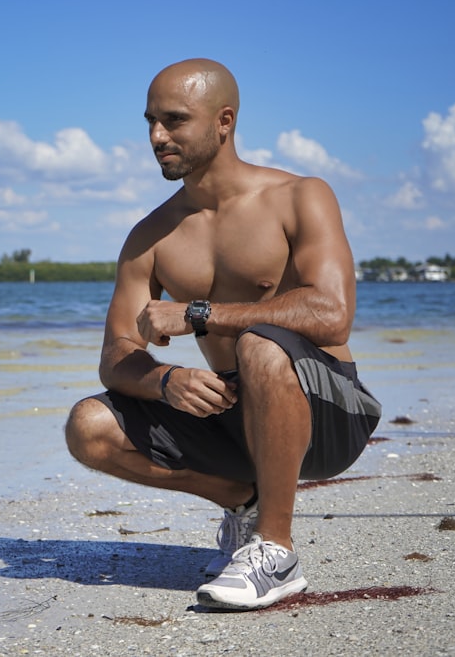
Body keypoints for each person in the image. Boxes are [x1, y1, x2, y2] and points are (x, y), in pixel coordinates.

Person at [64, 58, 382, 610]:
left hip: (329, 411)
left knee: (259, 342)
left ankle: (275, 552)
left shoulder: (299, 196)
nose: (156, 137)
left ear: (224, 122)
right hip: (237, 412)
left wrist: (197, 314)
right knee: (87, 426)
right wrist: (164, 380)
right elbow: (116, 355)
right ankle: (241, 499)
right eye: (149, 122)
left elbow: (333, 313)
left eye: (174, 120)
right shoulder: (151, 235)